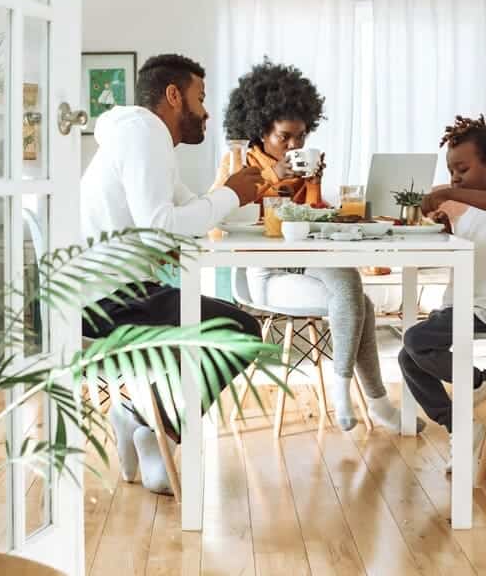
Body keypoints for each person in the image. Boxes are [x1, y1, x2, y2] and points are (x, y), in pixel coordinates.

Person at [80, 53, 265, 495]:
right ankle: (149, 425)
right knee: (240, 330)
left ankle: (141, 419)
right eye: (200, 98)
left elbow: (187, 211)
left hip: (118, 291)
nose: (205, 112)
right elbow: (163, 227)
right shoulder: (144, 134)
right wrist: (229, 195)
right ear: (173, 95)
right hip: (103, 303)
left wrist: (235, 195)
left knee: (231, 321)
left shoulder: (143, 138)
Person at [212, 60, 405, 432]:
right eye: (285, 136)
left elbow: (309, 218)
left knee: (350, 284)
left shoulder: (302, 162)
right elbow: (219, 224)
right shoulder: (237, 162)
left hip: (306, 260)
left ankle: (349, 395)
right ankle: (368, 399)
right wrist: (271, 176)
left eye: (301, 136)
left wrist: (313, 184)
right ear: (260, 129)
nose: (294, 145)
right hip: (264, 272)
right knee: (357, 301)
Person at [397, 115, 486, 469]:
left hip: (485, 308)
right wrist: (447, 225)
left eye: (463, 170)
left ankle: (480, 381)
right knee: (408, 358)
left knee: (416, 341)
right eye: (451, 171)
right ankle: (460, 427)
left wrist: (449, 193)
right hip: (457, 305)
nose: (454, 178)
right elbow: (467, 251)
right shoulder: (470, 214)